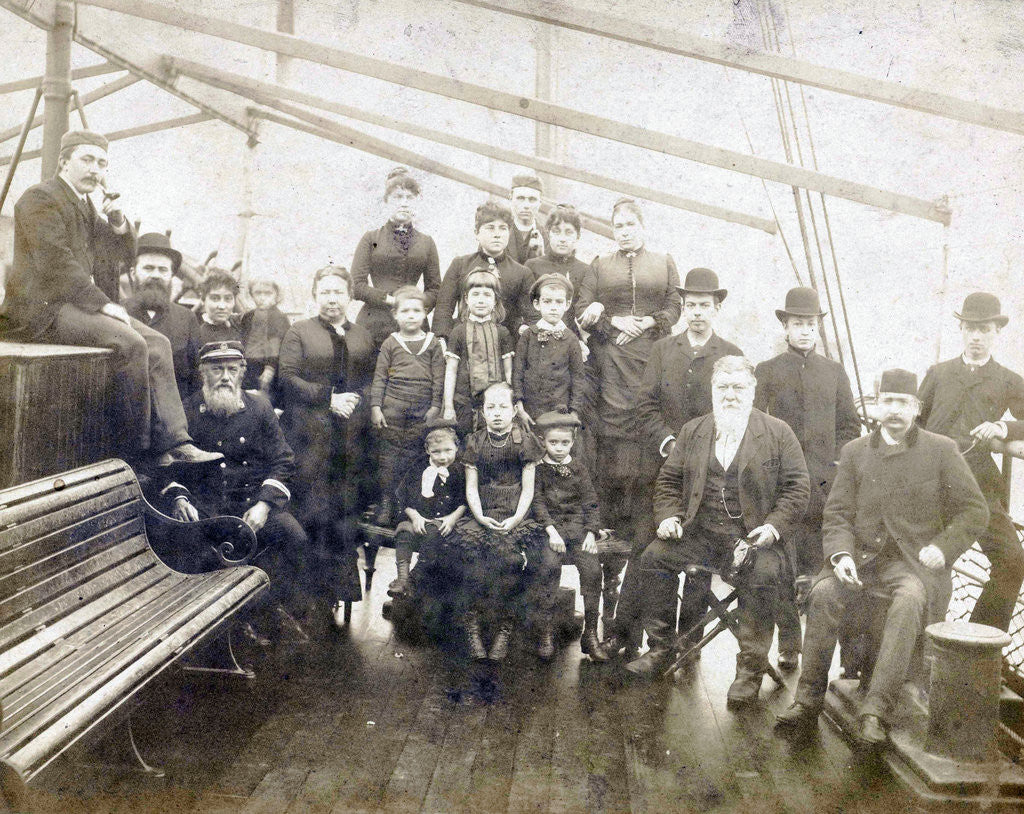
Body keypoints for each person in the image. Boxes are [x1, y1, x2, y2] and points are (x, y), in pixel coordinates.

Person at [777, 369, 988, 745]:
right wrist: (841, 555)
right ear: (876, 407)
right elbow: (837, 514)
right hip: (858, 559)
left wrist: (943, 547)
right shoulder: (855, 452)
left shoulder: (941, 450)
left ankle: (876, 708)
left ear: (916, 408)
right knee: (823, 595)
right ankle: (808, 698)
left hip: (913, 563)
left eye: (903, 403)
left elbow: (974, 512)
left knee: (909, 601)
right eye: (887, 401)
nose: (894, 410)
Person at [2, 129, 219, 466]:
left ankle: (176, 441)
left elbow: (123, 252)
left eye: (102, 163)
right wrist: (102, 303)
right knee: (132, 344)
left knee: (158, 343)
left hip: (75, 305)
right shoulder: (39, 199)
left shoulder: (86, 205)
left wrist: (117, 219)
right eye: (87, 160)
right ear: (63, 162)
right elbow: (55, 262)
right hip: (41, 311)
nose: (96, 169)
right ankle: (137, 449)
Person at [625, 356, 809, 712]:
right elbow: (668, 481)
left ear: (752, 390)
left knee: (765, 573)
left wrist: (772, 527)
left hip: (755, 540)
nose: (730, 396)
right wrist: (668, 516)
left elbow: (798, 489)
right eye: (722, 387)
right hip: (701, 535)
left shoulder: (777, 432)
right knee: (653, 558)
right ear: (712, 390)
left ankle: (750, 670)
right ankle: (662, 648)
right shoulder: (694, 430)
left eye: (738, 387)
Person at [609, 268, 742, 656]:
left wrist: (702, 453)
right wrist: (667, 440)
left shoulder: (730, 354)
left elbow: (733, 414)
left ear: (717, 308)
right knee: (645, 547)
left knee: (697, 555)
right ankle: (629, 635)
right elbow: (645, 404)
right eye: (691, 305)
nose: (697, 313)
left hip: (709, 474)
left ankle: (688, 639)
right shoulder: (663, 349)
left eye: (705, 305)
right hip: (660, 468)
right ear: (683, 307)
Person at [576, 197, 681, 653]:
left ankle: (642, 521)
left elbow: (675, 306)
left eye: (631, 224)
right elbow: (583, 309)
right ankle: (613, 526)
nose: (624, 231)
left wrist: (650, 322)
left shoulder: (665, 262)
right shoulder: (600, 264)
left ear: (643, 225)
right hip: (611, 356)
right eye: (618, 225)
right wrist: (610, 320)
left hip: (650, 355)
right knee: (612, 437)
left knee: (647, 429)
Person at [162, 341, 311, 640]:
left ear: (243, 372)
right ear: (203, 372)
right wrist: (179, 496)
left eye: (232, 369)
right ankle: (213, 626)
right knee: (188, 547)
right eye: (217, 369)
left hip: (251, 503)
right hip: (206, 507)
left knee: (294, 537)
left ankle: (268, 610)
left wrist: (264, 505)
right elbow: (166, 463)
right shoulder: (186, 410)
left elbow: (284, 460)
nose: (225, 377)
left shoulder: (259, 408)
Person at [754, 286, 862, 670]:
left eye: (810, 324)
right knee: (782, 567)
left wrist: (836, 467)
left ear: (818, 327)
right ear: (785, 326)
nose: (804, 330)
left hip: (823, 490)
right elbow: (756, 427)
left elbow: (850, 426)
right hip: (781, 489)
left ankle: (823, 655)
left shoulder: (834, 372)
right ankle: (788, 643)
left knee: (821, 572)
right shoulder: (766, 371)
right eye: (797, 323)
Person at [917, 292, 1024, 633]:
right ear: (961, 330)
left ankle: (976, 641)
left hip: (978, 485)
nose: (977, 336)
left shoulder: (1008, 380)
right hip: (931, 482)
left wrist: (1003, 427)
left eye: (985, 329)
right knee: (926, 564)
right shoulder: (938, 373)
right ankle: (920, 652)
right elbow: (913, 424)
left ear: (996, 333)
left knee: (1012, 560)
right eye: (970, 328)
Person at [277, 266, 375, 627]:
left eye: (338, 293)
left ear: (349, 297)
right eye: (325, 292)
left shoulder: (361, 335)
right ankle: (303, 597)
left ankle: (335, 592)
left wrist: (355, 403)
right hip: (308, 434)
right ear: (315, 295)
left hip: (349, 437)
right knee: (311, 510)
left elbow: (371, 379)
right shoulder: (298, 332)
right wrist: (327, 399)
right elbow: (287, 378)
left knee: (342, 513)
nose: (332, 299)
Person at [452, 382, 549, 661]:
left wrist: (517, 519)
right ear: (482, 411)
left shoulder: (525, 441)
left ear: (513, 410)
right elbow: (471, 487)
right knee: (471, 560)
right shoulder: (475, 441)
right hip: (482, 512)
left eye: (503, 407)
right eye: (490, 407)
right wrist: (480, 516)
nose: (497, 413)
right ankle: (472, 629)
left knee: (510, 561)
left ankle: (505, 629)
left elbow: (528, 489)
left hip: (516, 514)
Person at [532, 408, 606, 662]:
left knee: (593, 571)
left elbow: (590, 502)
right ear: (544, 441)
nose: (559, 448)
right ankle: (546, 633)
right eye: (553, 442)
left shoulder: (579, 469)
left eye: (565, 443)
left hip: (577, 531)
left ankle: (591, 634)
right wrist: (551, 531)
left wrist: (590, 533)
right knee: (549, 567)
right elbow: (537, 503)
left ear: (573, 442)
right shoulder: (538, 470)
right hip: (550, 532)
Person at [369, 286, 444, 532]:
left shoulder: (432, 343)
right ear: (395, 315)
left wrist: (435, 406)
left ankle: (408, 505)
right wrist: (376, 407)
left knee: (414, 455)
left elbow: (438, 378)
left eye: (416, 311)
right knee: (389, 457)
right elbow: (380, 377)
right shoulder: (391, 343)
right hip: (393, 408)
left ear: (425, 314)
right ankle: (386, 502)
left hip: (421, 410)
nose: (411, 315)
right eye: (405, 311)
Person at [351, 167, 441, 349]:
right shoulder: (371, 238)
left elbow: (435, 289)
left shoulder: (427, 242)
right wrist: (391, 300)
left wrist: (414, 307)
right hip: (374, 325)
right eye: (398, 197)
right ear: (386, 202)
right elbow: (355, 285)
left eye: (409, 198)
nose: (404, 203)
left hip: (413, 325)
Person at [432, 201, 533, 341]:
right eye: (490, 228)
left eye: (503, 228)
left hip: (505, 345)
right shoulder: (460, 265)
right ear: (476, 233)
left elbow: (530, 316)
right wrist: (441, 338)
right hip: (464, 341)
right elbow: (444, 307)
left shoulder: (522, 272)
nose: (497, 234)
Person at [124, 232, 202, 401]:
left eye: (163, 269)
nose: (156, 275)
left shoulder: (187, 319)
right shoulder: (117, 313)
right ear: (132, 273)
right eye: (148, 268)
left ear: (171, 276)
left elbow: (196, 380)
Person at [394, 422, 466, 600]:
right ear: (427, 450)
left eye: (448, 450)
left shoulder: (459, 470)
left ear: (457, 447)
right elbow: (403, 497)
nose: (443, 457)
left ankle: (414, 580)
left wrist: (451, 519)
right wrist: (415, 516)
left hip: (442, 521)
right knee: (404, 534)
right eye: (436, 452)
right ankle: (402, 578)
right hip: (416, 517)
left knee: (433, 535)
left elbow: (464, 501)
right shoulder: (418, 468)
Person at [441, 269, 515, 435]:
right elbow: (451, 371)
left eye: (487, 295)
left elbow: (509, 372)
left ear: (496, 300)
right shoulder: (458, 332)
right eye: (476, 294)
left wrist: (509, 401)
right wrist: (448, 406)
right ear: (466, 299)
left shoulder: (502, 332)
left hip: (494, 404)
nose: (481, 300)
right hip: (464, 401)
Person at [523, 204, 590, 332]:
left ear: (578, 236)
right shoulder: (532, 266)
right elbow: (527, 308)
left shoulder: (585, 270)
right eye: (556, 232)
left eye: (569, 232)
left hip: (571, 336)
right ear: (548, 234)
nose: (562, 239)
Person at [238, 278, 291, 396]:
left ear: (276, 295)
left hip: (269, 367)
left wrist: (270, 368)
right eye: (258, 293)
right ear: (252, 294)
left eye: (267, 293)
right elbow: (243, 339)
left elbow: (279, 346)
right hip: (248, 365)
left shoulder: (279, 317)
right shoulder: (248, 316)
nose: (262, 297)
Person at [506, 174, 546, 264]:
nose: (526, 205)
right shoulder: (498, 232)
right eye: (520, 198)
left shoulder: (548, 236)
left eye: (532, 199)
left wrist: (541, 255)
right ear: (510, 199)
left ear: (540, 202)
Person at [196, 270, 242, 347]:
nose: (222, 306)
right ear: (203, 300)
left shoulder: (240, 329)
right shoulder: (196, 335)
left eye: (228, 299)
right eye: (215, 298)